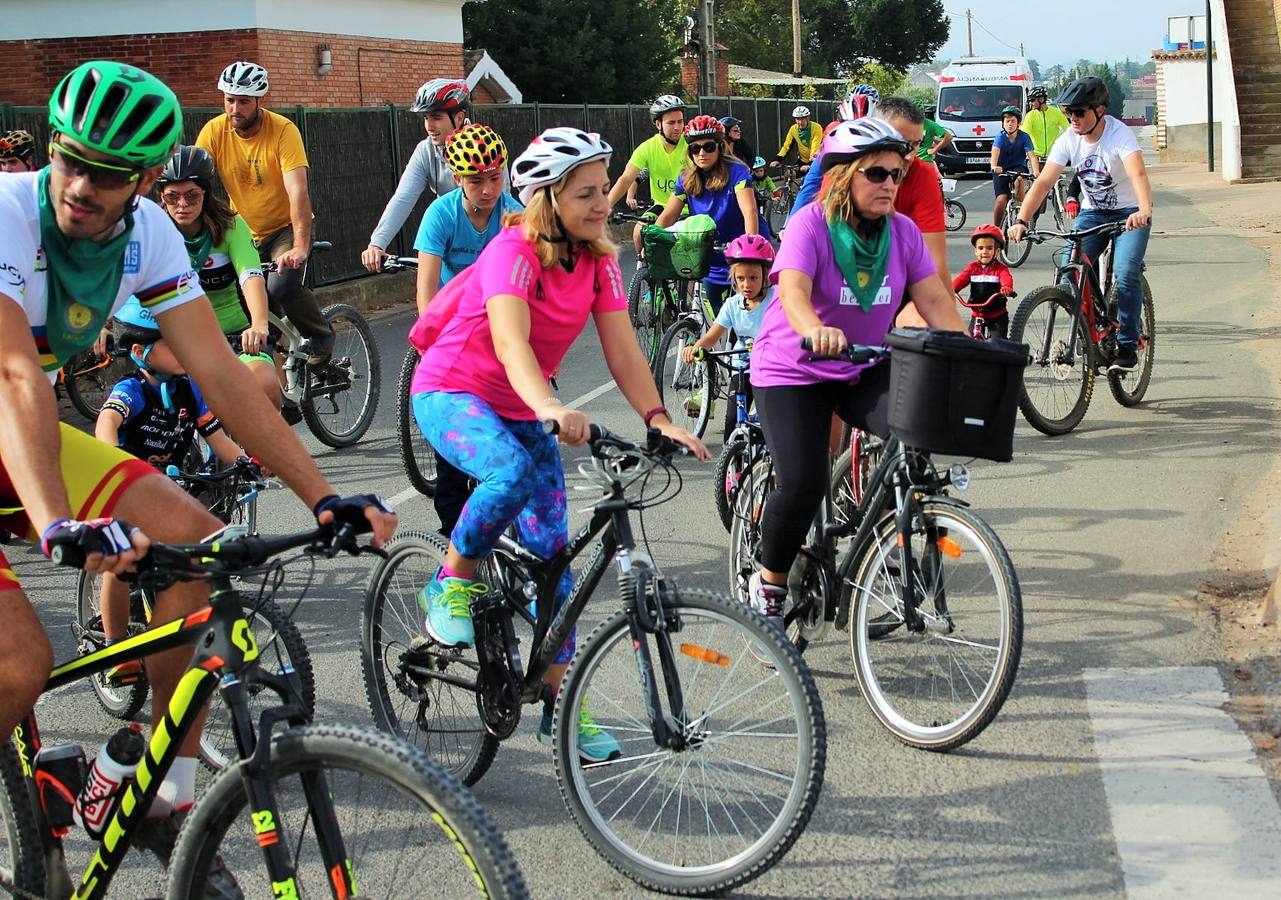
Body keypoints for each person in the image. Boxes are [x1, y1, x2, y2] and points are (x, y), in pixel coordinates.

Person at [0, 60, 395, 881]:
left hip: (20, 432)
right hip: (11, 416)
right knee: (17, 666)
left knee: (200, 543)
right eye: (71, 161)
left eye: (107, 176)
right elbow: (12, 376)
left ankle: (154, 787)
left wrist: (322, 497)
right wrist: (54, 524)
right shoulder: (6, 215)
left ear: (143, 179)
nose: (81, 187)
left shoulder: (147, 232)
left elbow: (218, 372)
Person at [408, 126, 709, 760]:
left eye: (604, 189)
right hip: (453, 394)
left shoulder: (599, 260)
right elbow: (513, 344)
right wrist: (549, 404)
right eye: (587, 194)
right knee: (509, 473)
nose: (604, 203)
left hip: (524, 407)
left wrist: (657, 415)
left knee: (554, 565)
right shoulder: (511, 254)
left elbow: (622, 348)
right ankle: (450, 582)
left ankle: (561, 706)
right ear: (548, 198)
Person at [745, 117, 964, 625]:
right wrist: (812, 329)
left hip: (861, 363)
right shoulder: (811, 224)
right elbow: (794, 292)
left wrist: (962, 352)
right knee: (802, 483)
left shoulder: (903, 233)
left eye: (896, 173)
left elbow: (934, 298)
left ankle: (887, 534)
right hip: (792, 369)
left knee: (916, 426)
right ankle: (770, 584)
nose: (890, 182)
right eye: (876, 173)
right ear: (844, 176)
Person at [93, 323, 251, 684]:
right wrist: (115, 456)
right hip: (128, 489)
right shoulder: (131, 390)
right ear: (139, 352)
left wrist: (247, 463)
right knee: (121, 560)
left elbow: (216, 437)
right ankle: (115, 648)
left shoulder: (188, 389)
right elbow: (107, 422)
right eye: (171, 344)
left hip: (171, 488)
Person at [413, 123, 523, 537]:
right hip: (451, 320)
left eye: (495, 178)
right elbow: (426, 292)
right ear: (457, 178)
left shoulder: (513, 215)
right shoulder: (439, 214)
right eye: (476, 181)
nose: (488, 190)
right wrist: (432, 343)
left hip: (497, 315)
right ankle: (452, 532)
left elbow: (528, 286)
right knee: (454, 440)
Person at [111, 145, 280, 407]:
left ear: (206, 193)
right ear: (161, 196)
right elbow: (122, 279)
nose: (182, 205)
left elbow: (251, 277)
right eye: (172, 197)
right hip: (182, 336)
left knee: (264, 384)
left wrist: (258, 324)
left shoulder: (230, 226)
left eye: (192, 196)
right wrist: (102, 324)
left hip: (237, 332)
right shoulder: (152, 227)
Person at [1010, 76, 1153, 373]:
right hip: (1094, 213)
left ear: (1099, 110)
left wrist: (1144, 209)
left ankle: (1127, 345)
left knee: (1126, 272)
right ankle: (1091, 330)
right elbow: (1044, 182)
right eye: (1068, 113)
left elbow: (1138, 174)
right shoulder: (1069, 140)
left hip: (1129, 212)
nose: (1072, 119)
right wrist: (1022, 219)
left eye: (1079, 112)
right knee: (1068, 274)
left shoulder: (1120, 135)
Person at [195, 61, 334, 365]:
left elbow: (298, 191)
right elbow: (194, 180)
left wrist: (299, 246)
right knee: (250, 305)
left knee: (282, 284)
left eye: (243, 101)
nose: (235, 108)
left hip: (284, 227)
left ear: (260, 101)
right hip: (245, 231)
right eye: (229, 100)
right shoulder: (214, 132)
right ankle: (281, 392)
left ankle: (321, 335)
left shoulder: (283, 131)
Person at [792, 97, 954, 324]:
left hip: (897, 280)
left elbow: (936, 267)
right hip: (841, 280)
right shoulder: (841, 173)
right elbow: (794, 290)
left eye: (916, 144)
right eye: (900, 143)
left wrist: (954, 338)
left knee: (922, 326)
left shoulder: (921, 180)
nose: (909, 155)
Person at [361, 78, 474, 272]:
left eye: (436, 117)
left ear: (458, 117)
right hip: (447, 241)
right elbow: (403, 198)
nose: (429, 126)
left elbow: (498, 205)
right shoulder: (426, 150)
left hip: (484, 245)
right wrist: (377, 244)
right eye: (425, 118)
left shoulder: (484, 148)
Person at [656, 116, 760, 316]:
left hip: (739, 253)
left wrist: (749, 247)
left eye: (709, 147)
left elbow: (750, 211)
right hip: (708, 256)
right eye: (695, 149)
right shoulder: (685, 178)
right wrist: (653, 235)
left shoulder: (738, 172)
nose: (702, 153)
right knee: (716, 318)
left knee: (746, 320)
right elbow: (669, 214)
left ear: (720, 147)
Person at [681, 233, 775, 441]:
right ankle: (732, 468)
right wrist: (697, 347)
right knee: (732, 423)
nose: (746, 285)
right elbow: (713, 335)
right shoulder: (733, 305)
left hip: (771, 370)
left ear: (766, 276)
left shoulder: (777, 299)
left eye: (753, 278)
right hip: (741, 367)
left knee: (769, 423)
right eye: (740, 279)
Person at [606, 95, 687, 262]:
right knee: (638, 233)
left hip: (688, 208)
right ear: (658, 124)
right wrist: (605, 206)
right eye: (671, 123)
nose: (677, 127)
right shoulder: (647, 148)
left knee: (688, 251)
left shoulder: (691, 145)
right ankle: (646, 275)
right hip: (661, 207)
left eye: (680, 121)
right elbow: (626, 178)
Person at [953, 224, 1015, 339]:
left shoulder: (1000, 269)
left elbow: (1006, 277)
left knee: (998, 342)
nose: (985, 251)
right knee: (970, 340)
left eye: (989, 248)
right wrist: (951, 289)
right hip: (977, 313)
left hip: (997, 314)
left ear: (997, 251)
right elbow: (961, 279)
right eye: (980, 248)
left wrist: (1006, 287)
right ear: (975, 251)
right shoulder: (972, 267)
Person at [990, 105, 1040, 226]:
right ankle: (997, 229)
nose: (1010, 124)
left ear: (1018, 123)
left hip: (1018, 167)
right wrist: (994, 166)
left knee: (1019, 180)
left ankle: (1022, 214)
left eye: (1013, 121)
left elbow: (1032, 156)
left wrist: (1036, 171)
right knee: (1001, 200)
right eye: (1007, 121)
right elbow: (995, 152)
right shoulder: (1000, 137)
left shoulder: (1024, 137)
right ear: (1003, 123)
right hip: (1001, 169)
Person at [771, 105, 822, 173]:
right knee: (790, 174)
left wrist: (810, 164)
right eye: (797, 119)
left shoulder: (816, 128)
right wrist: (777, 159)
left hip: (817, 160)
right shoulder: (793, 129)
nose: (800, 122)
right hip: (803, 160)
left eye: (802, 119)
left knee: (811, 180)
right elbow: (787, 146)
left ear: (808, 118)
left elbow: (815, 147)